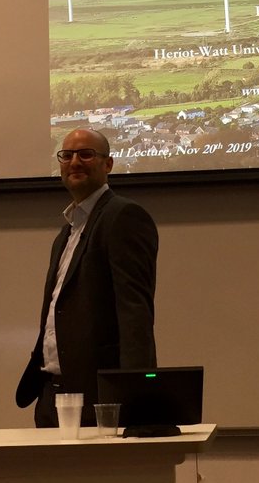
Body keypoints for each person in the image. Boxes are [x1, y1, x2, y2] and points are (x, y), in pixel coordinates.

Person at [16, 128, 158, 427]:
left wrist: (137, 398)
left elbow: (135, 313)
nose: (74, 162)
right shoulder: (66, 232)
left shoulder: (123, 216)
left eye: (86, 154)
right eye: (66, 155)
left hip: (99, 398)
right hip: (51, 395)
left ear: (108, 164)